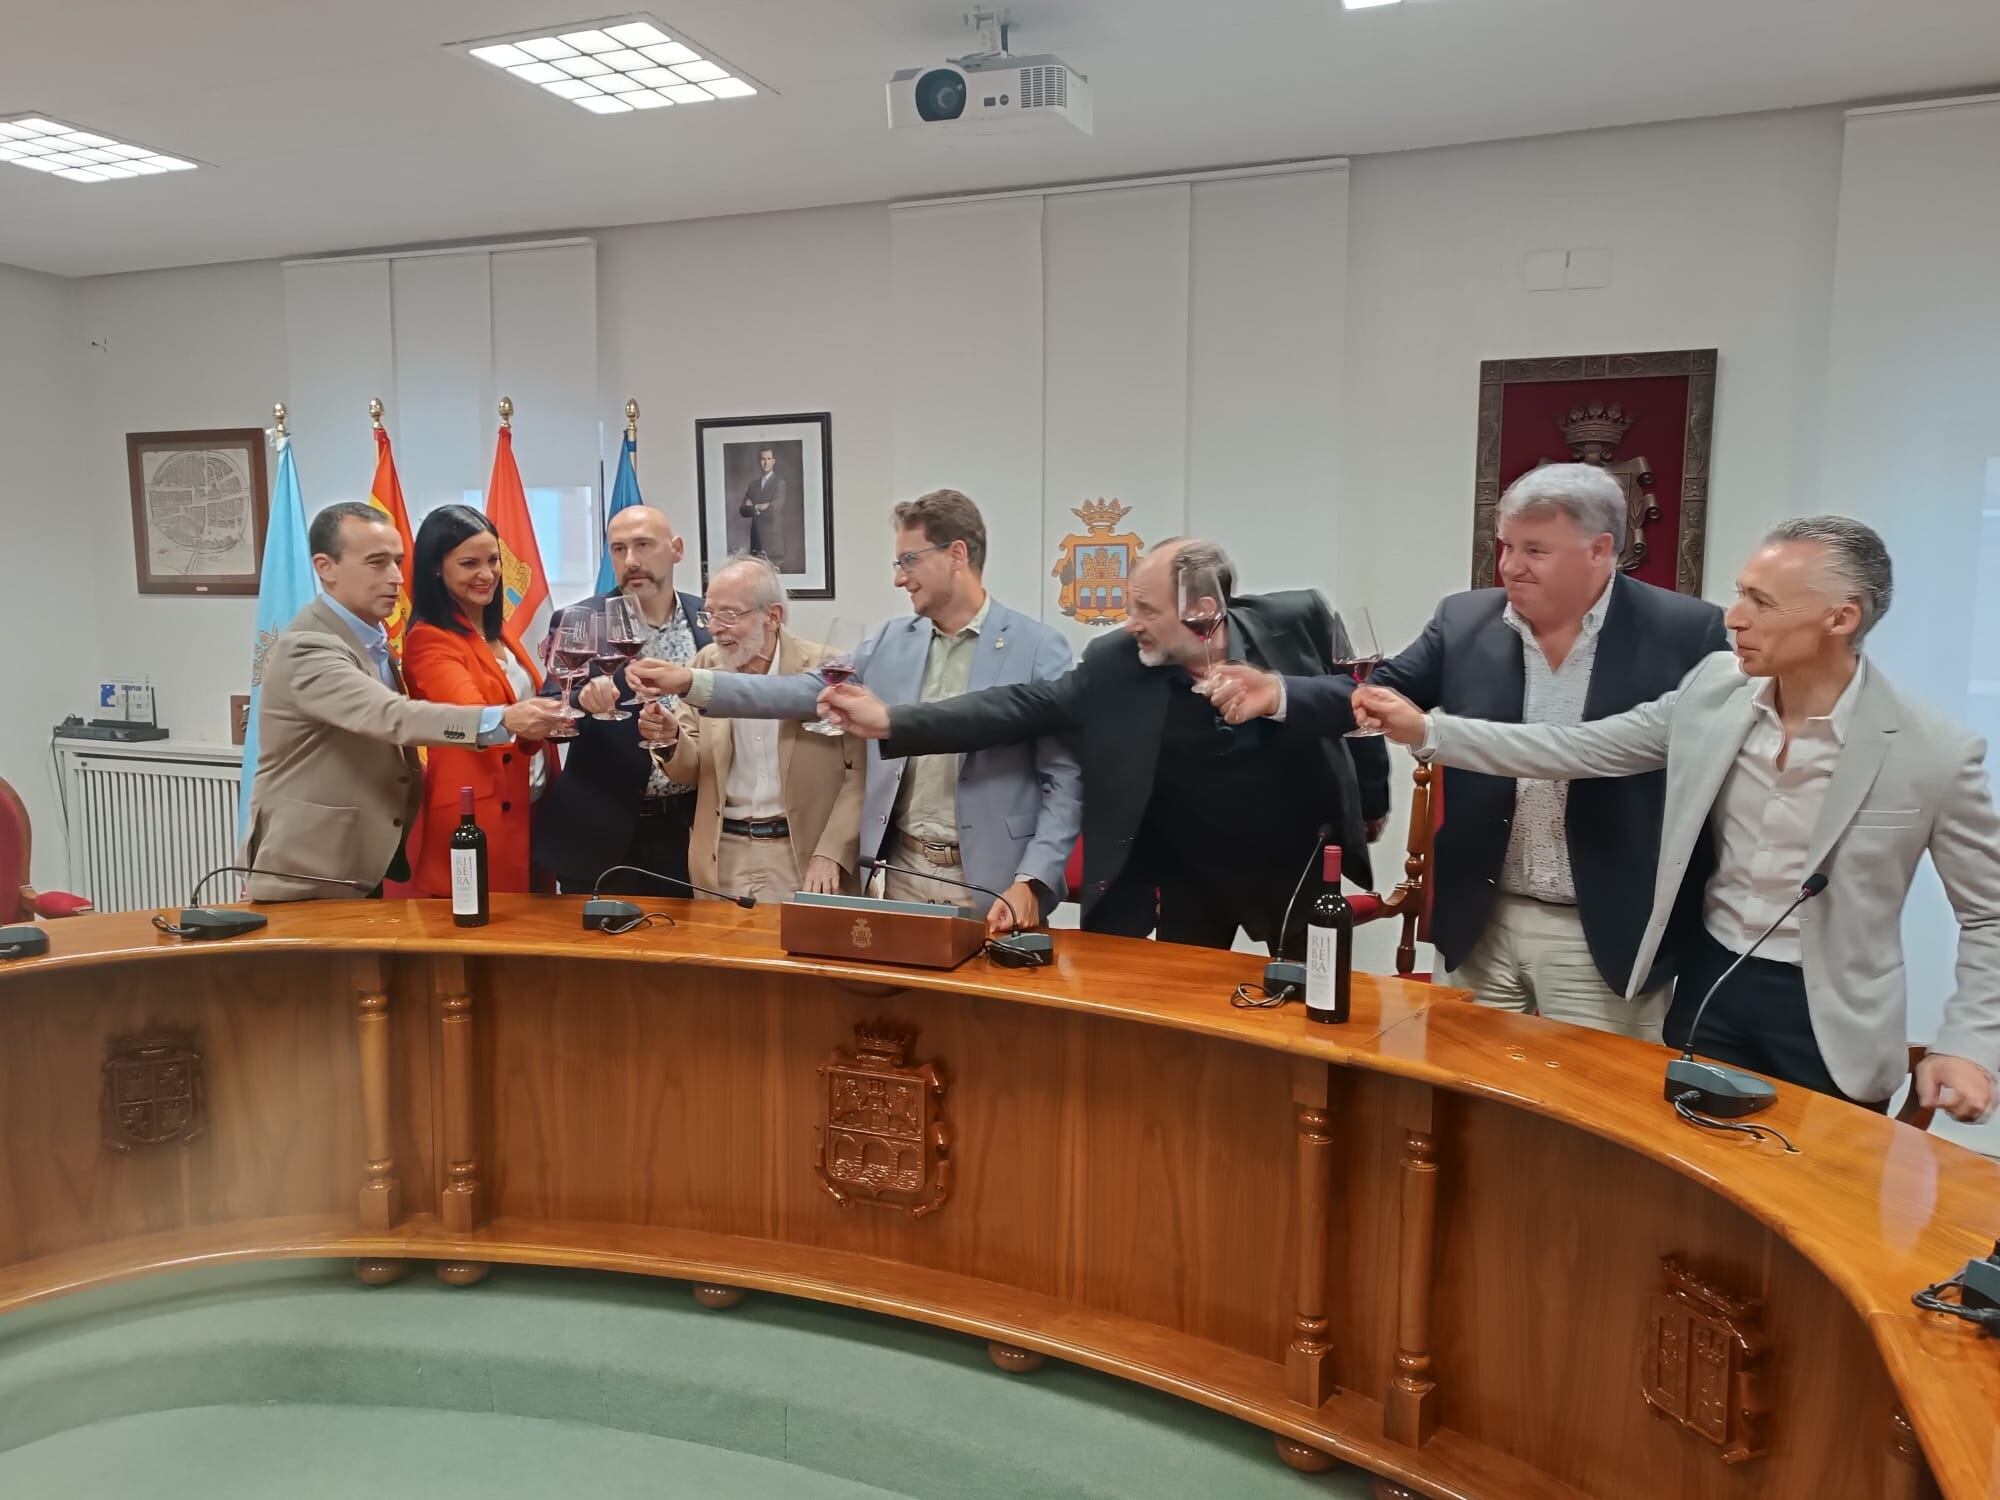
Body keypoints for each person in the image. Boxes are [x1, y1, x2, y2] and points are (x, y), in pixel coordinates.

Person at [1353, 516, 2000, 1122]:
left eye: (1762, 603)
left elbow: (1989, 913)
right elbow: (1580, 748)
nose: (1735, 618)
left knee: (1814, 1192)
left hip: (1831, 1019)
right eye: (1741, 594)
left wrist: (1969, 1044)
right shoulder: (1717, 689)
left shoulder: (1932, 751)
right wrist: (1430, 731)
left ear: (1841, 617)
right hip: (1708, 989)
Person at [1206, 464, 1725, 1041]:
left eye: (1535, 550)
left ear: (1600, 550)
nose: (1511, 566)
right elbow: (1379, 693)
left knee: (1593, 1090)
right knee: (1462, 1081)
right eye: (1506, 545)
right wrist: (1279, 692)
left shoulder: (1685, 632)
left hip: (1605, 928)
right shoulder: (1464, 619)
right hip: (1481, 916)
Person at [818, 539, 1391, 954]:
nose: (1129, 622)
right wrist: (892, 721)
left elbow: (1358, 704)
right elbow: (1019, 706)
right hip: (1190, 872)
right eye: (1129, 604)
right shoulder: (1116, 663)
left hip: (1296, 859)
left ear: (1202, 613)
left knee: (1312, 1006)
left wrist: (1371, 800)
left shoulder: (1300, 617)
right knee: (1184, 1026)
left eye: (1146, 610)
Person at [630, 489, 1079, 933]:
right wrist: (691, 682)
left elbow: (1065, 781)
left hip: (997, 883)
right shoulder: (891, 640)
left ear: (956, 554)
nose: (899, 578)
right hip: (903, 874)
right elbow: (802, 690)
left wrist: (1033, 879)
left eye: (909, 560)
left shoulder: (1037, 648)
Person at [243, 502, 566, 901]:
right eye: (377, 563)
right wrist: (504, 720)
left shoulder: (372, 641)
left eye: (397, 562)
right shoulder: (309, 647)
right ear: (325, 568)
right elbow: (391, 716)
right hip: (312, 867)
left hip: (367, 859)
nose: (396, 577)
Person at [636, 554, 863, 902]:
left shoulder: (825, 669)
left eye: (728, 615)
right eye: (709, 614)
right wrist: (670, 739)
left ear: (772, 616)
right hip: (723, 855)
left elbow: (858, 774)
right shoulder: (704, 666)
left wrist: (832, 852)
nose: (714, 628)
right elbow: (688, 770)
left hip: (801, 855)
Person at [531, 505, 710, 897]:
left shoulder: (708, 619)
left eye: (643, 545)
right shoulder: (580, 619)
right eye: (619, 549)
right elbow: (549, 712)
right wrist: (582, 702)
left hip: (687, 832)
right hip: (599, 836)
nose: (631, 560)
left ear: (677, 550)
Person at [401, 504, 561, 898]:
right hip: (477, 810)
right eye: (469, 564)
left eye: (493, 560)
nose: (487, 574)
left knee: (536, 921)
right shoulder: (429, 638)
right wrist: (530, 719)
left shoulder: (496, 630)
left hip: (530, 799)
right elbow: (471, 718)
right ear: (436, 568)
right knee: (486, 921)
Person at [739, 446, 786, 564]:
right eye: (763, 459)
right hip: (756, 543)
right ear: (759, 461)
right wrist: (759, 507)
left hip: (773, 544)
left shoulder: (780, 483)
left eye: (768, 459)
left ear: (773, 461)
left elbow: (773, 510)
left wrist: (753, 506)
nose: (765, 462)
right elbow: (743, 510)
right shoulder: (753, 485)